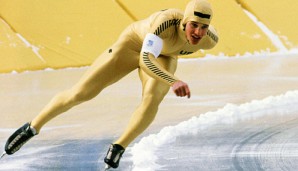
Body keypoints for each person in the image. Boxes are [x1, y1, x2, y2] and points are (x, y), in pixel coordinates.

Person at [2, 0, 218, 169]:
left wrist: (170, 78)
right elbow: (145, 59)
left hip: (165, 57)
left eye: (203, 27)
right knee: (82, 93)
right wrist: (174, 81)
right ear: (183, 23)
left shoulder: (210, 40)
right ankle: (32, 127)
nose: (198, 33)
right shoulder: (166, 21)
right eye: (194, 25)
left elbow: (160, 58)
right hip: (133, 47)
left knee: (152, 99)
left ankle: (119, 146)